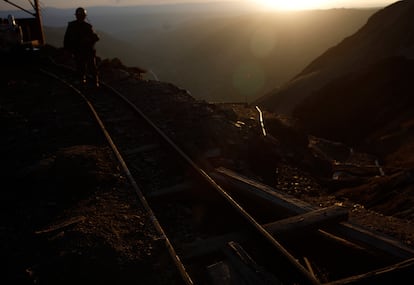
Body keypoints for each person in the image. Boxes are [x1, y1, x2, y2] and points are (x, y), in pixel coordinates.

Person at [64, 7, 100, 87]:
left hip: (80, 51)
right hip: (86, 51)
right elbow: (96, 38)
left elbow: (66, 39)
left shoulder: (72, 26)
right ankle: (94, 82)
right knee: (90, 67)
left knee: (81, 66)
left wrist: (67, 50)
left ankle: (83, 81)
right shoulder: (87, 26)